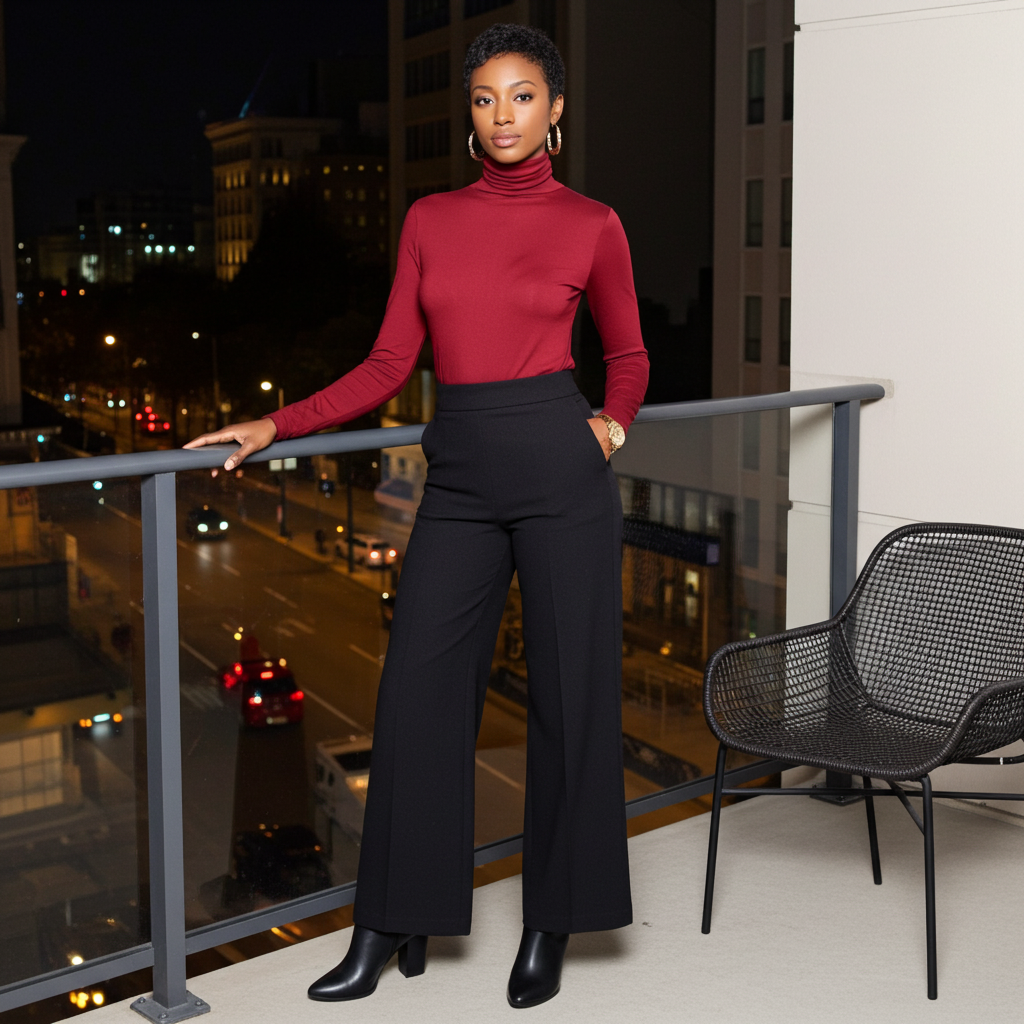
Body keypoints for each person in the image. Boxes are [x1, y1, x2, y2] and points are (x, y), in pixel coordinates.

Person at [184, 23, 649, 1010]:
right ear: (469, 115)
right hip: (463, 483)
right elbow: (390, 365)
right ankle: (391, 920)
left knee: (571, 706)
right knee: (415, 705)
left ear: (554, 109)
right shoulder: (432, 219)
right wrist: (275, 421)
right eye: (483, 99)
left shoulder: (591, 222)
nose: (501, 116)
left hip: (565, 481)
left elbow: (630, 351)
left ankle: (551, 923)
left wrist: (609, 424)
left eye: (521, 96)